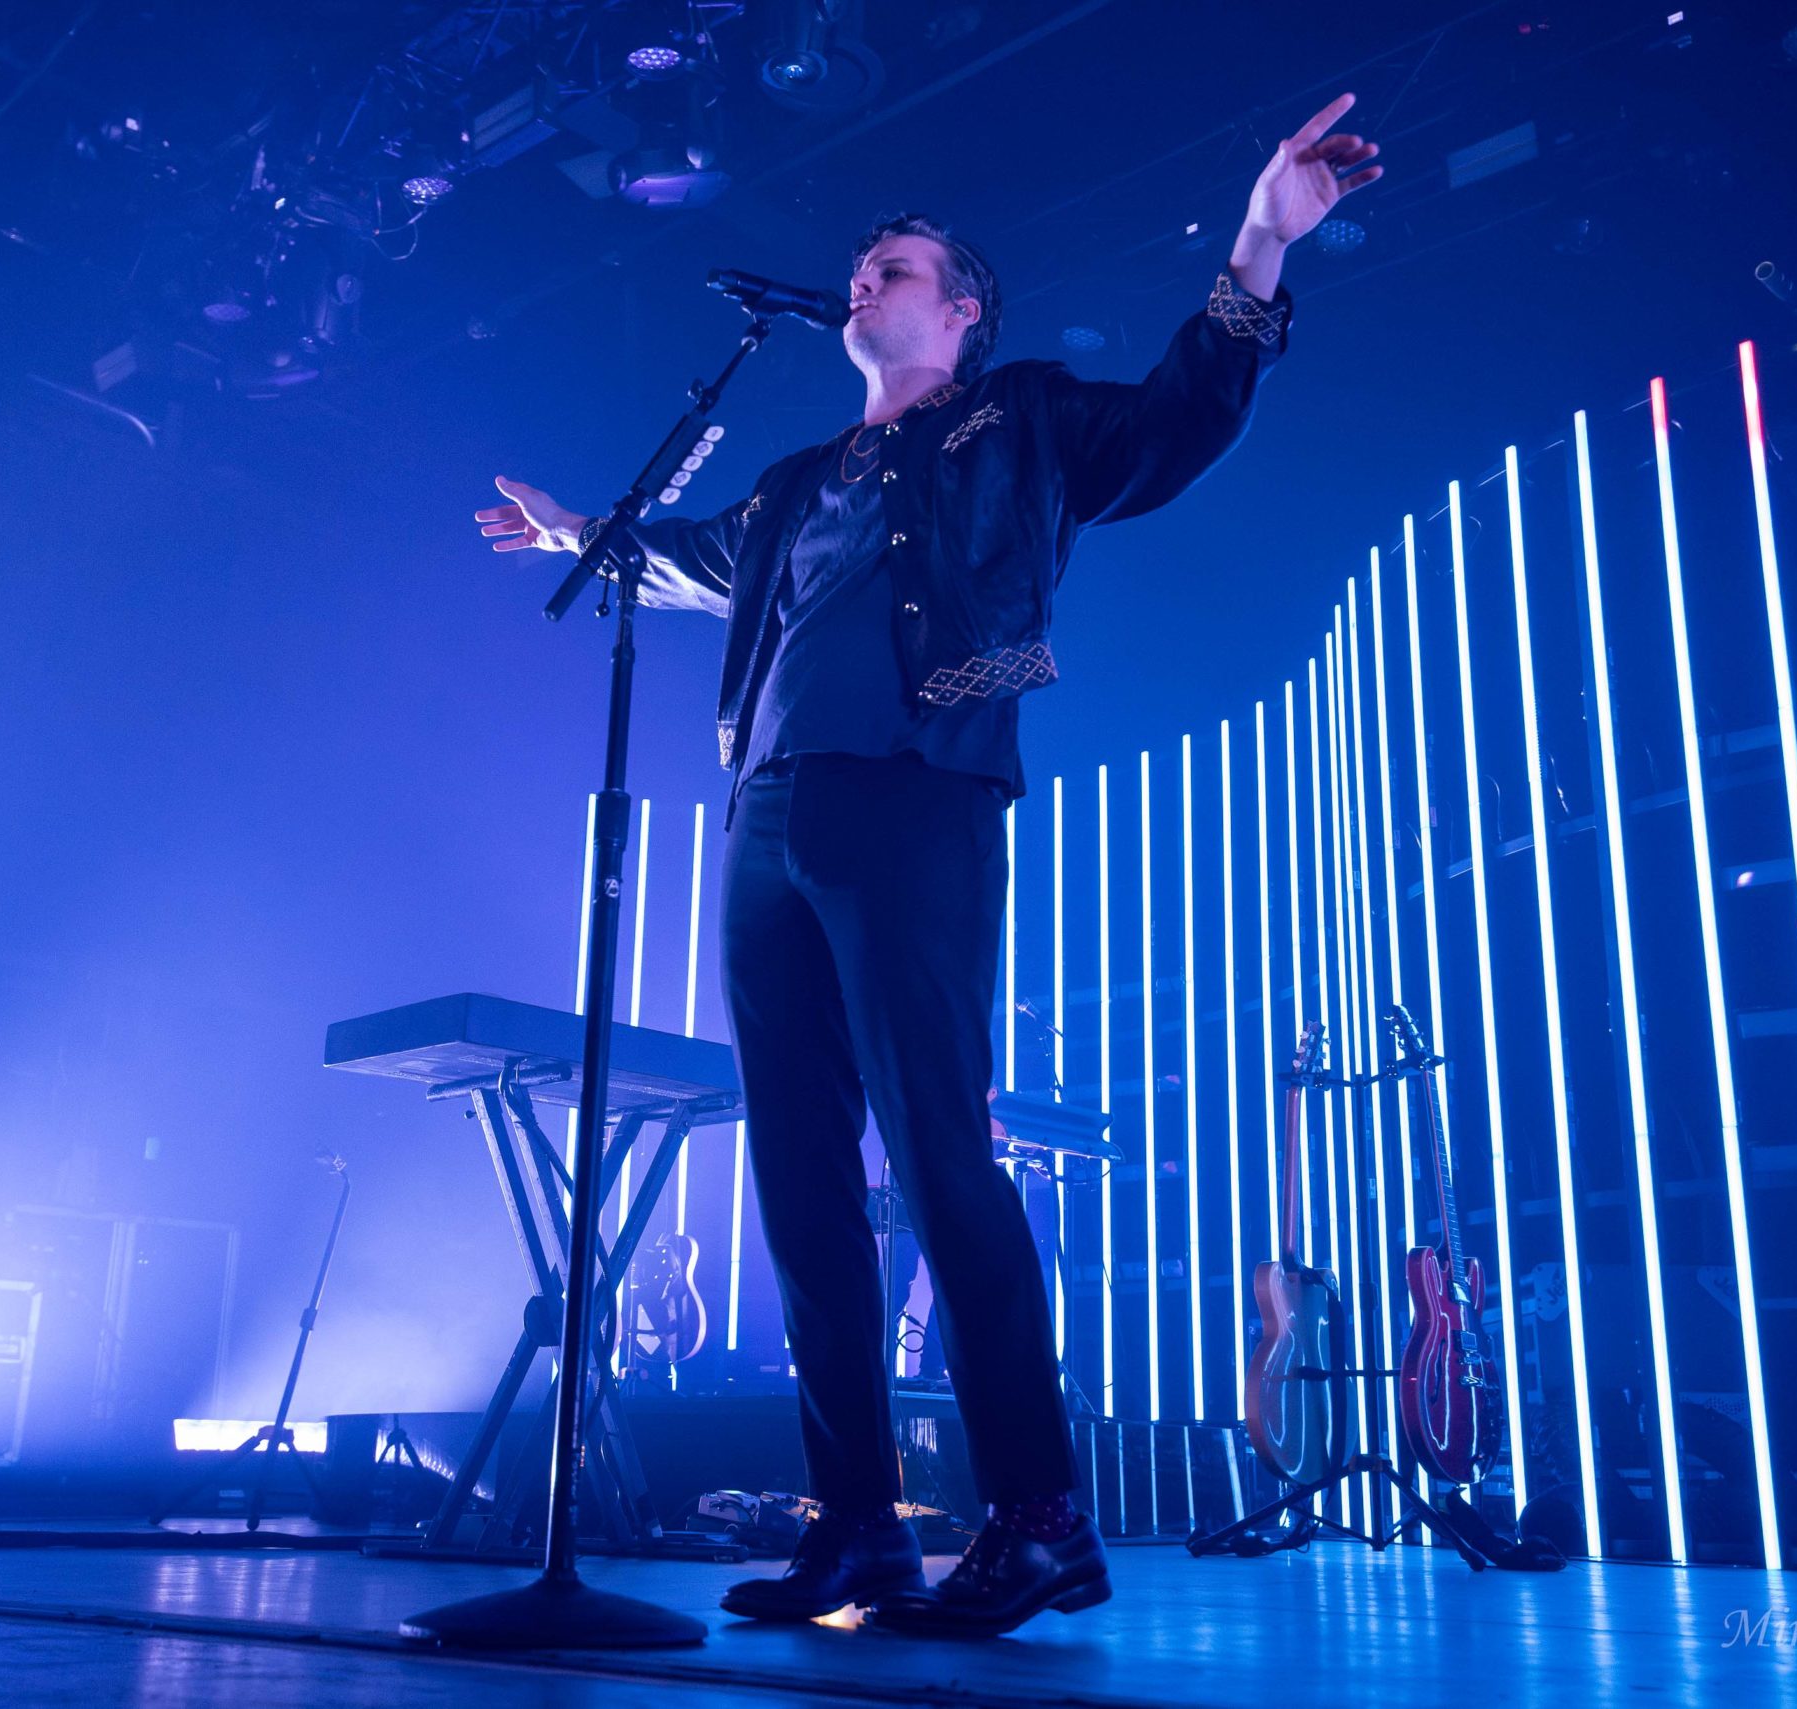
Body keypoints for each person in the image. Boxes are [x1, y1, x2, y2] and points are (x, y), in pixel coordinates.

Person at [477, 97, 1380, 1635]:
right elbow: (680, 560)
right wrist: (582, 532)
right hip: (768, 818)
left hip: (919, 795)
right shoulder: (791, 484)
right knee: (798, 1177)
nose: (864, 274)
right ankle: (855, 1528)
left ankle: (1040, 1519)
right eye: (863, 262)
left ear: (961, 310)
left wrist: (1259, 243)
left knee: (940, 1156)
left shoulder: (1020, 419)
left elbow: (1180, 418)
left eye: (894, 264)